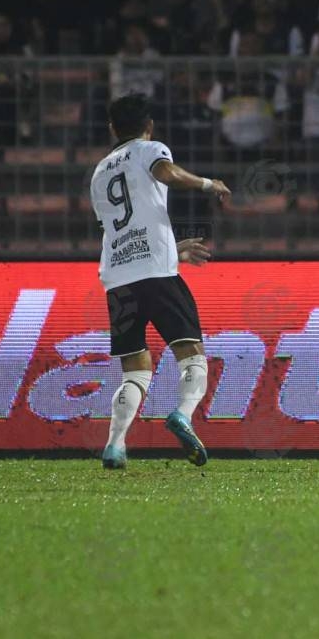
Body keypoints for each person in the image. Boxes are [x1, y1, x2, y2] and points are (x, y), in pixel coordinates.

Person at [89, 94, 231, 470]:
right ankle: (183, 414)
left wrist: (173, 246)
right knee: (192, 355)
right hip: (157, 273)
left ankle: (115, 445)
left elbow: (121, 226)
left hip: (118, 278)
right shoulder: (150, 149)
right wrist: (206, 183)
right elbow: (165, 173)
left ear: (112, 129)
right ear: (148, 127)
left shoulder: (100, 171)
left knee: (135, 369)